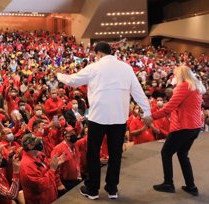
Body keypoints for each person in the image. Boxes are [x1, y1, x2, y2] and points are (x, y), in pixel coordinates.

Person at [56, 41, 151, 200]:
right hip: (119, 119)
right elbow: (138, 91)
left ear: (98, 54)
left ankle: (93, 189)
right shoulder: (126, 68)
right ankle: (112, 188)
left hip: (98, 118)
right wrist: (147, 111)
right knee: (116, 154)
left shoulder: (95, 67)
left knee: (93, 153)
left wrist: (59, 74)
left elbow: (73, 81)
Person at [144, 65, 206, 196]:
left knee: (166, 153)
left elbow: (169, 108)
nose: (174, 77)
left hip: (183, 126)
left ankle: (168, 183)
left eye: (175, 74)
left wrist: (151, 117)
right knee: (183, 154)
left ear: (181, 75)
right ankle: (191, 186)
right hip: (194, 127)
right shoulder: (196, 86)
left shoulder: (183, 86)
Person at [19, 133, 64, 204]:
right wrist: (52, 169)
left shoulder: (40, 155)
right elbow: (41, 185)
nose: (40, 144)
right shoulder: (26, 165)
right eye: (36, 142)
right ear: (30, 146)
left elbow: (48, 168)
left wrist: (56, 164)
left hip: (50, 196)